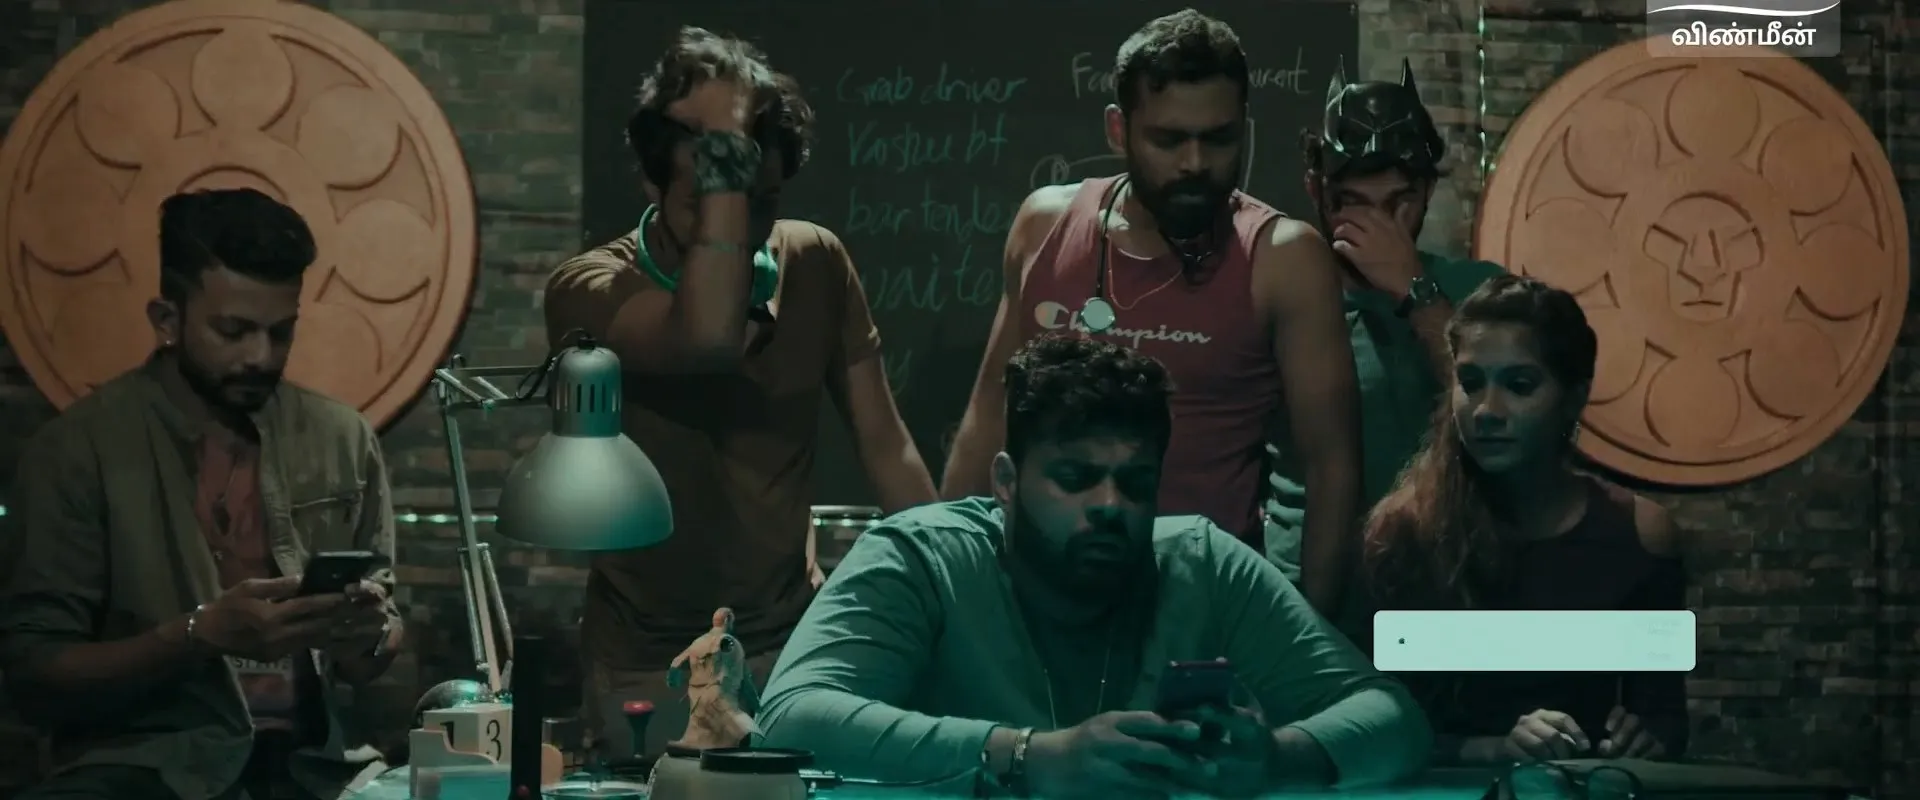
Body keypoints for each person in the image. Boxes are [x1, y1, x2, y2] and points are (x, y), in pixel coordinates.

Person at [757, 335, 1430, 797]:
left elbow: (1392, 717)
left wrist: (1280, 758)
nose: (1110, 505)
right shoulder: (922, 557)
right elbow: (789, 719)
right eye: (1075, 478)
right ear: (1006, 482)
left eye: (1135, 483)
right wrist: (1029, 757)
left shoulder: (1201, 565)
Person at [544, 27, 936, 760]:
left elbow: (887, 447)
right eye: (712, 195)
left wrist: (952, 585)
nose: (740, 223)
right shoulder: (589, 288)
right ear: (651, 181)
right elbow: (705, 336)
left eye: (762, 201)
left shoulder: (815, 260)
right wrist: (724, 146)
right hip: (652, 658)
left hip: (794, 645)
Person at [942, 9, 1363, 618]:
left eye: (1218, 138)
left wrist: (1306, 633)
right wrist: (948, 594)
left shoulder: (1283, 259)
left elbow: (1333, 468)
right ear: (1119, 130)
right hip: (1036, 603)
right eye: (1169, 139)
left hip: (1197, 609)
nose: (1195, 162)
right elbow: (990, 416)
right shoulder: (1044, 226)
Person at [0, 188, 403, 800]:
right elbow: (33, 673)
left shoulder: (341, 439)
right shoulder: (78, 450)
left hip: (310, 770)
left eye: (281, 332)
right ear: (167, 321)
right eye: (233, 331)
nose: (260, 357)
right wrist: (197, 635)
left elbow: (379, 652)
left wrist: (365, 635)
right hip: (138, 770)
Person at [1360, 275, 1688, 765]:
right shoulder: (1406, 531)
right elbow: (1378, 726)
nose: (1487, 410)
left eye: (1519, 386)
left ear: (1573, 397)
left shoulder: (1639, 535)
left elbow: (1665, 714)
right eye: (1471, 383)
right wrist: (1492, 748)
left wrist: (1646, 739)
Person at [1266, 62, 1509, 617]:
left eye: (1400, 203)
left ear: (1428, 191)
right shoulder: (1282, 296)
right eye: (1355, 203)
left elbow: (1506, 418)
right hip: (1302, 599)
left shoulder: (1480, 292)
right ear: (1316, 189)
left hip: (1443, 602)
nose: (1379, 224)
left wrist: (1414, 290)